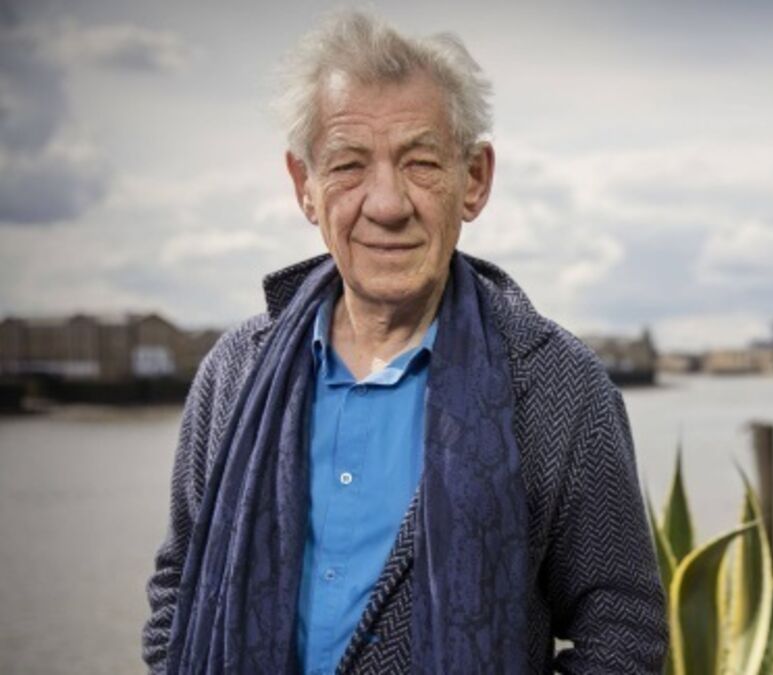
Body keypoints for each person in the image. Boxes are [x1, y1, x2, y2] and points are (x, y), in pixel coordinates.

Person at [141, 10, 667, 674]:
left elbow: (621, 629)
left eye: (420, 163)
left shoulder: (560, 384)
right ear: (305, 187)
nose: (387, 204)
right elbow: (178, 585)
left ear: (474, 179)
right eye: (348, 166)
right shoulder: (234, 371)